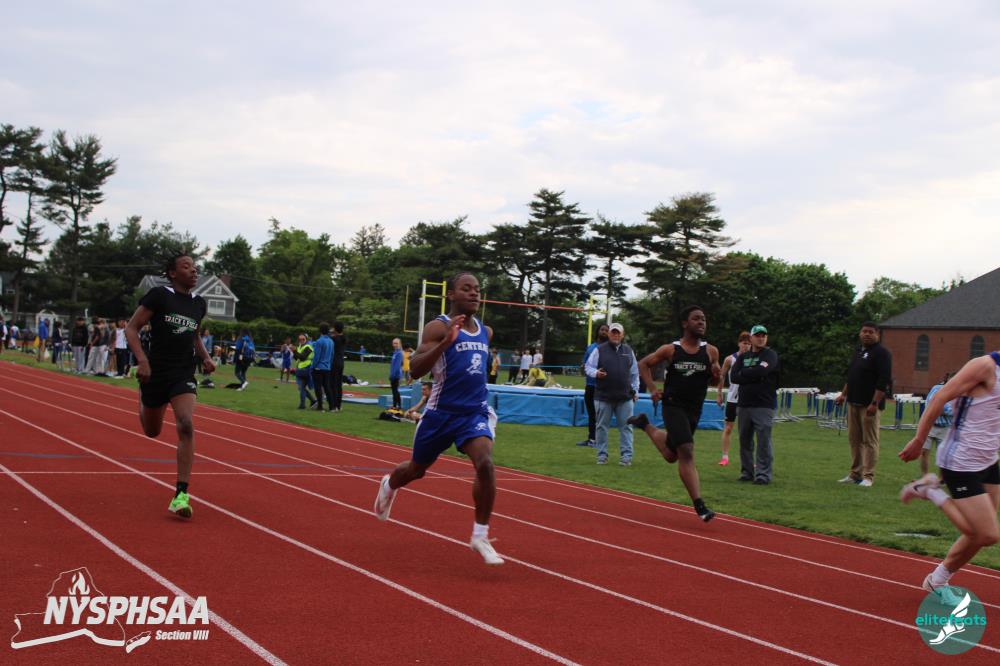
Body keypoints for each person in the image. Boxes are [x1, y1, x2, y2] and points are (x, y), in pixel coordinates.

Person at [373, 272, 504, 566]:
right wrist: (445, 342)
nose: (474, 293)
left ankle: (480, 535)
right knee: (416, 470)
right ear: (451, 295)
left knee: (485, 463)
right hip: (440, 414)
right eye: (466, 289)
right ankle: (390, 484)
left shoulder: (486, 331)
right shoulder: (437, 327)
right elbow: (416, 370)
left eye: (477, 289)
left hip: (473, 413)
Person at [898, 351, 1000, 598]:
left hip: (988, 460)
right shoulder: (985, 366)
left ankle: (938, 580)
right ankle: (931, 491)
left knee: (977, 534)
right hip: (961, 461)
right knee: (986, 534)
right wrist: (919, 439)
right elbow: (941, 396)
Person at [125, 254, 215, 518]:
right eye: (186, 266)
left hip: (182, 372)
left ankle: (181, 494)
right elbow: (131, 328)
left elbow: (194, 335)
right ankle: (144, 397)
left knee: (186, 424)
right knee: (151, 431)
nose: (194, 270)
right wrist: (142, 361)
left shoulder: (199, 303)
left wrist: (206, 357)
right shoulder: (159, 296)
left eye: (195, 266)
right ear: (173, 273)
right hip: (155, 372)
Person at [629, 306, 721, 521]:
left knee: (672, 455)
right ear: (685, 323)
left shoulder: (711, 351)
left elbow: (714, 378)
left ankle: (644, 424)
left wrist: (716, 375)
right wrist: (653, 389)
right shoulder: (671, 349)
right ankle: (700, 506)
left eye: (703, 319)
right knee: (686, 451)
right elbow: (643, 364)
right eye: (696, 319)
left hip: (694, 409)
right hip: (673, 405)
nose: (701, 322)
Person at [834, 322, 892, 487]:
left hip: (869, 405)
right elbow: (851, 376)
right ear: (860, 333)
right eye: (864, 331)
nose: (867, 334)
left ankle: (868, 476)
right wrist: (843, 395)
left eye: (870, 332)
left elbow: (883, 381)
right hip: (853, 402)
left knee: (870, 441)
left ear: (877, 334)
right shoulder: (858, 351)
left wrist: (875, 403)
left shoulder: (882, 353)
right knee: (854, 440)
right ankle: (855, 474)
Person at [732, 324, 780, 485]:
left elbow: (763, 371)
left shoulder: (770, 355)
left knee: (763, 440)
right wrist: (754, 374)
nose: (761, 338)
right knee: (744, 440)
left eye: (763, 336)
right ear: (751, 338)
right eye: (757, 335)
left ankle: (763, 474)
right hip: (744, 404)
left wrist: (745, 373)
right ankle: (746, 472)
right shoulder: (743, 357)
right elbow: (734, 377)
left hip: (763, 404)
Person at [585, 322, 639, 467]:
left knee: (626, 427)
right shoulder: (599, 350)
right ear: (609, 334)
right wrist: (596, 373)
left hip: (625, 397)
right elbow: (588, 367)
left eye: (618, 333)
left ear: (622, 335)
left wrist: (635, 390)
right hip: (603, 396)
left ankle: (626, 457)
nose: (615, 335)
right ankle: (602, 455)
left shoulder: (629, 350)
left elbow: (635, 373)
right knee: (601, 427)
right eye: (613, 332)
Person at [716, 332, 751, 466]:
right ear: (739, 343)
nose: (746, 346)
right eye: (744, 343)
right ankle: (725, 457)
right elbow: (722, 375)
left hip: (747, 399)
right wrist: (719, 393)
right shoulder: (730, 359)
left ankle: (748, 459)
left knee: (747, 430)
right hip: (732, 399)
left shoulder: (753, 359)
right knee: (729, 428)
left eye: (749, 344)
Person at [578, 324, 610, 448]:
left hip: (602, 386)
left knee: (601, 414)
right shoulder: (591, 347)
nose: (604, 332)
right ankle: (592, 439)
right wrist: (584, 367)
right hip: (590, 385)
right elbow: (585, 364)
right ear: (598, 331)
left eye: (606, 330)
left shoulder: (610, 348)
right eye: (602, 330)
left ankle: (600, 440)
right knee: (591, 414)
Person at [921, 374, 953, 476]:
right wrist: (946, 409)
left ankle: (941, 479)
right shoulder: (937, 388)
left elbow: (954, 410)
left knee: (943, 456)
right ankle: (925, 476)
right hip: (930, 425)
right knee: (924, 452)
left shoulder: (958, 392)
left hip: (945, 428)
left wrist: (941, 407)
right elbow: (932, 403)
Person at [311, 323, 334, 411]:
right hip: (327, 368)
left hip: (318, 367)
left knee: (318, 387)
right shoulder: (331, 341)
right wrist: (329, 365)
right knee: (327, 387)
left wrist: (313, 366)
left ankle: (320, 406)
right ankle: (332, 407)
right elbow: (332, 355)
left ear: (320, 330)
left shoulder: (319, 341)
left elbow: (317, 356)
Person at [292, 333, 317, 409]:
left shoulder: (308, 347)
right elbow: (296, 358)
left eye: (303, 339)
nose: (301, 340)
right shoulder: (300, 346)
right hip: (300, 369)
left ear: (306, 339)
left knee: (301, 387)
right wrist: (294, 351)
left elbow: (302, 357)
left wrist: (295, 351)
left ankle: (304, 404)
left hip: (306, 369)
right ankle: (311, 401)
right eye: (300, 339)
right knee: (301, 388)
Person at [330, 321, 346, 412]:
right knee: (339, 384)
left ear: (335, 329)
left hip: (334, 363)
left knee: (333, 384)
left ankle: (334, 405)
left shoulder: (334, 339)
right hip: (341, 362)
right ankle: (339, 405)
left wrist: (331, 332)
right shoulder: (344, 338)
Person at [389, 337, 404, 409]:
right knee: (394, 391)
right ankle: (395, 405)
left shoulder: (399, 353)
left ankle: (398, 405)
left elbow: (397, 366)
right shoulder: (395, 352)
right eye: (394, 343)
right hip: (393, 374)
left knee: (395, 391)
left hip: (396, 375)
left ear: (399, 344)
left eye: (396, 343)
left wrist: (393, 375)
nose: (395, 345)